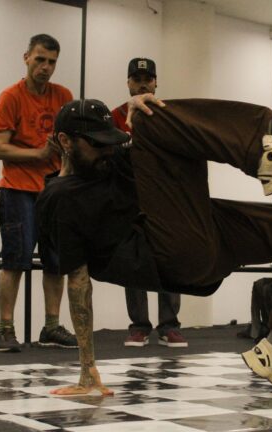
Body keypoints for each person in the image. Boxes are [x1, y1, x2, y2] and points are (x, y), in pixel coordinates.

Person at [36, 95, 272, 394]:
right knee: (147, 122)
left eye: (110, 141)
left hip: (203, 238)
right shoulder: (59, 198)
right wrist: (87, 368)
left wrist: (132, 105)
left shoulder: (110, 162)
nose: (107, 150)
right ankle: (262, 156)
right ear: (65, 142)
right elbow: (78, 283)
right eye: (97, 144)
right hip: (169, 256)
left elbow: (166, 141)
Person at [0, 34, 77, 352]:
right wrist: (39, 155)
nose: (46, 67)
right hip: (18, 188)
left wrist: (67, 164)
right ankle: (5, 329)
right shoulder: (11, 96)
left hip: (54, 188)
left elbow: (73, 141)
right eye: (40, 59)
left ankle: (51, 327)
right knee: (16, 258)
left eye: (52, 61)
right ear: (26, 57)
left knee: (56, 261)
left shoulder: (63, 95)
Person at [110, 58, 187, 348]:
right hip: (129, 199)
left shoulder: (168, 115)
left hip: (164, 198)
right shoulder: (114, 116)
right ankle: (139, 326)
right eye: (136, 78)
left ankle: (170, 325)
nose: (142, 83)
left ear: (156, 83)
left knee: (168, 260)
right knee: (134, 262)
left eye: (148, 78)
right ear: (128, 83)